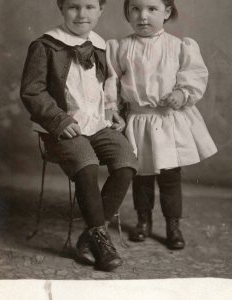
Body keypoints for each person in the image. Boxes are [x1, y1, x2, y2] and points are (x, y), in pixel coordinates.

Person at [20, 0, 138, 271]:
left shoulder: (100, 46)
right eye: (73, 6)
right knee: (87, 164)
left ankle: (89, 238)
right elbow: (32, 91)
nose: (82, 14)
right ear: (61, 8)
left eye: (89, 6)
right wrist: (58, 120)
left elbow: (105, 87)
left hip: (95, 125)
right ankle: (101, 241)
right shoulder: (46, 45)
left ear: (101, 9)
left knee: (126, 162)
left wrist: (113, 112)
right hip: (60, 128)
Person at [105, 0, 217, 250]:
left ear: (167, 12)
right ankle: (143, 221)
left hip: (167, 120)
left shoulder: (179, 47)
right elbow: (112, 81)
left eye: (151, 9)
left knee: (170, 176)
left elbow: (193, 77)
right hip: (138, 119)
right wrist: (112, 107)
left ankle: (172, 224)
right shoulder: (121, 48)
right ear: (128, 12)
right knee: (141, 175)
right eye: (135, 9)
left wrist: (181, 94)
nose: (142, 16)